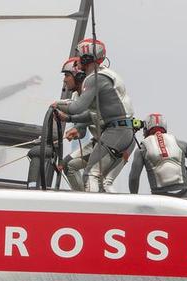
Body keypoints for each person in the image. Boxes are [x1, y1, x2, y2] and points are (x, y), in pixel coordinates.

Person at [52, 38, 134, 192]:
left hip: (116, 134)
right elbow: (91, 115)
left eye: (66, 75)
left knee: (97, 178)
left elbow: (78, 108)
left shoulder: (95, 79)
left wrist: (57, 104)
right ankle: (84, 200)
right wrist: (70, 120)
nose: (64, 80)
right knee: (72, 167)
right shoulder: (97, 80)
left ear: (86, 58)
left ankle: (95, 211)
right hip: (112, 135)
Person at [128, 113, 187, 198]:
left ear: (146, 129)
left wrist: (134, 198)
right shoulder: (180, 143)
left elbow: (134, 178)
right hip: (183, 197)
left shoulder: (142, 148)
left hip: (160, 199)